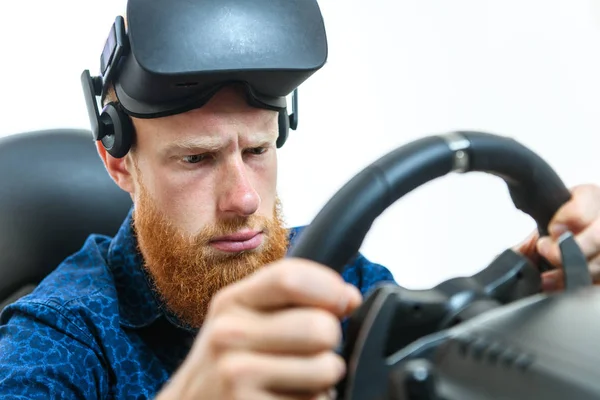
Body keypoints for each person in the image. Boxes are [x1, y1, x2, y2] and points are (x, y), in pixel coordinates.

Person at [1, 2, 600, 399]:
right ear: (116, 160)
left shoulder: (336, 274)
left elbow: (432, 357)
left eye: (257, 152)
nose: (242, 198)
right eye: (196, 159)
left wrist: (534, 287)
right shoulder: (57, 338)